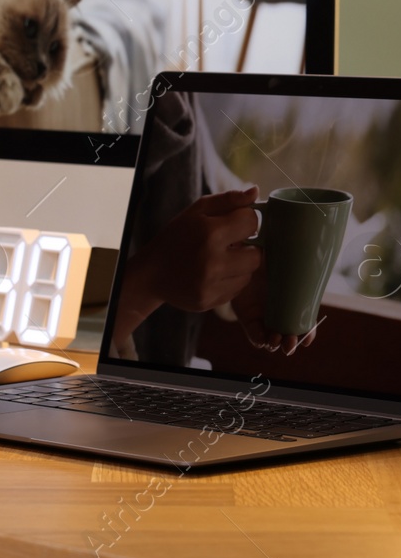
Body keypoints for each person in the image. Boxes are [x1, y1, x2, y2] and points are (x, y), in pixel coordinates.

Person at [108, 90, 316, 363]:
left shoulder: (177, 93)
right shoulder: (113, 111)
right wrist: (148, 280)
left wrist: (243, 257)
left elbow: (206, 176)